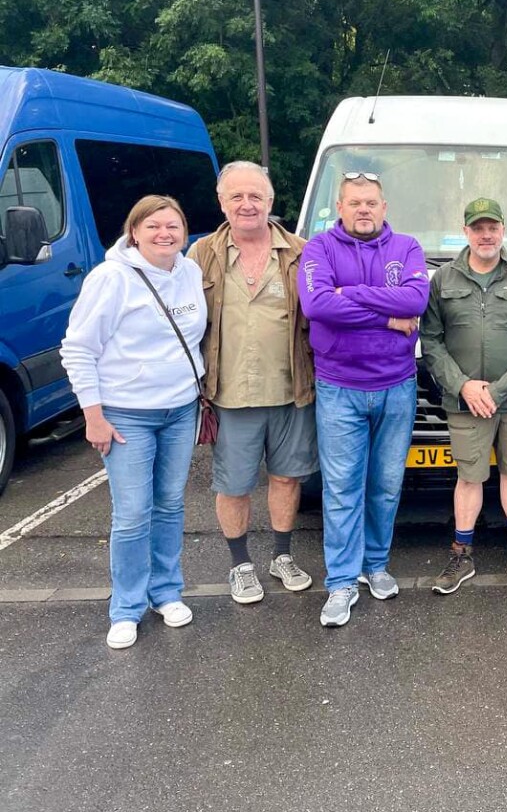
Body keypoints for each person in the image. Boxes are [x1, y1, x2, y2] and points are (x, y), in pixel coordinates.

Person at [62, 195, 206, 649]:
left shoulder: (190, 272)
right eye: (154, 226)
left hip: (181, 408)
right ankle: (125, 607)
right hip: (127, 414)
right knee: (131, 513)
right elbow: (79, 348)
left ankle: (166, 592)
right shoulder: (111, 279)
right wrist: (93, 415)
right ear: (134, 231)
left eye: (173, 226)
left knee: (169, 504)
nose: (165, 234)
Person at [298, 172, 429, 627]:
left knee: (386, 485)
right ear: (340, 206)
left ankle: (375, 565)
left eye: (370, 202)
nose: (363, 210)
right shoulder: (318, 248)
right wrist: (387, 317)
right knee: (341, 489)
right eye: (354, 203)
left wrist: (349, 294)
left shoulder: (407, 247)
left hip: (397, 385)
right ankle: (340, 582)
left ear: (384, 207)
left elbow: (415, 299)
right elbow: (316, 306)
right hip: (339, 387)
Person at [187, 161, 317, 605]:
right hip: (229, 394)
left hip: (291, 390)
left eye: (255, 196)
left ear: (271, 201)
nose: (247, 204)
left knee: (286, 479)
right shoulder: (201, 254)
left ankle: (282, 556)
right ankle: (240, 565)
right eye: (236, 197)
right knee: (233, 485)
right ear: (221, 202)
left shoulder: (302, 251)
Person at [420, 198, 507, 594]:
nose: (486, 234)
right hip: (465, 402)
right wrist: (463, 386)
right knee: (469, 477)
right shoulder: (443, 280)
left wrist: (500, 388)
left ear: (502, 230)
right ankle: (462, 554)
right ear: (466, 232)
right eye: (478, 228)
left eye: (492, 227)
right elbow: (432, 341)